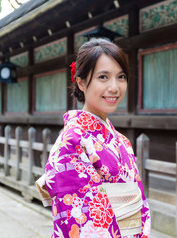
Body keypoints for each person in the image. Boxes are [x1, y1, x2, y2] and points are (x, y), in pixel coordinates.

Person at [37, 38, 150, 238]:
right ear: (80, 82)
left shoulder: (122, 141)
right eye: (103, 77)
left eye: (121, 76)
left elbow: (139, 206)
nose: (114, 87)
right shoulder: (71, 141)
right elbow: (80, 218)